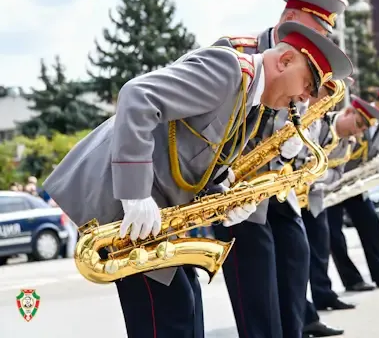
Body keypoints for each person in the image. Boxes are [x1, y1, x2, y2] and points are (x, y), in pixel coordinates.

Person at [42, 20, 352, 338]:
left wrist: (225, 197)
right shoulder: (229, 69)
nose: (304, 98)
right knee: (169, 319)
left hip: (161, 215)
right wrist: (134, 194)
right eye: (307, 84)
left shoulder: (254, 103)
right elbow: (137, 96)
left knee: (185, 310)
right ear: (284, 61)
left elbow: (200, 157)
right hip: (124, 205)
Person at [211, 0, 350, 338]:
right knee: (254, 283)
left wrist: (290, 149)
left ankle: (298, 329)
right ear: (288, 21)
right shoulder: (236, 51)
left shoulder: (308, 60)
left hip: (276, 183)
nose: (320, 42)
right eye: (315, 31)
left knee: (295, 257)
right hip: (235, 188)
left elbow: (297, 119)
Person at [303, 92, 379, 337]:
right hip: (294, 195)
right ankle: (305, 313)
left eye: (361, 130)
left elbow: (337, 173)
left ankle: (323, 295)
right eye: (357, 125)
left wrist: (321, 176)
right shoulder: (318, 121)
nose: (356, 133)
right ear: (348, 112)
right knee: (299, 256)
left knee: (320, 247)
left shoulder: (347, 143)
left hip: (315, 198)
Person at [327, 88, 379, 292]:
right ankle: (352, 280)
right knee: (334, 235)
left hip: (356, 185)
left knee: (371, 224)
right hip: (333, 184)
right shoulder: (361, 115)